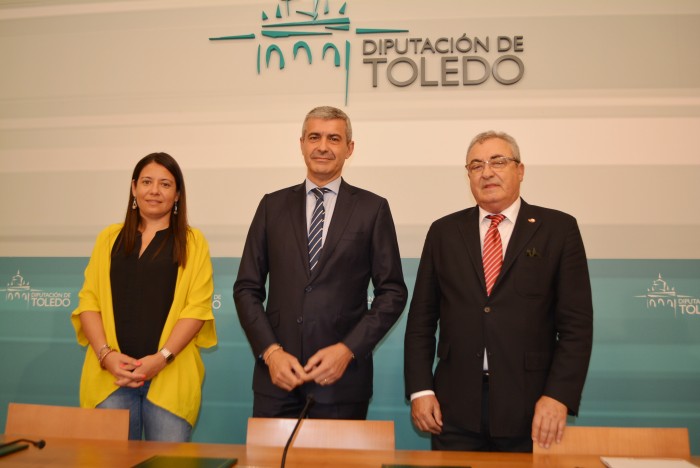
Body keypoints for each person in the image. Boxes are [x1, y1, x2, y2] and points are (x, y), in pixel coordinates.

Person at [404, 131, 593, 452]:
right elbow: (421, 320)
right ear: (468, 176)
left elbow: (576, 326)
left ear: (520, 170)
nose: (487, 172)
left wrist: (558, 396)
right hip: (453, 408)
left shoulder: (558, 230)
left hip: (532, 407)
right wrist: (421, 390)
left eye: (498, 162)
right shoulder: (444, 232)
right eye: (476, 165)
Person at [234, 106, 407, 420]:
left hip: (342, 383)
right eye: (314, 137)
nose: (323, 147)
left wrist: (348, 349)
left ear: (349, 148)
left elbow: (393, 292)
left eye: (334, 138)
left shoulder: (373, 209)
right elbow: (246, 288)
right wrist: (271, 353)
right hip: (277, 381)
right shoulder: (272, 206)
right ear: (301, 144)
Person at [71, 152, 217, 441]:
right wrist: (106, 356)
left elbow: (196, 310)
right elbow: (89, 303)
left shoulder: (193, 242)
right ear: (134, 187)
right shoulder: (109, 238)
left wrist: (161, 359)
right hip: (110, 379)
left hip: (170, 379)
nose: (154, 191)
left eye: (165, 184)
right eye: (147, 182)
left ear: (177, 195)